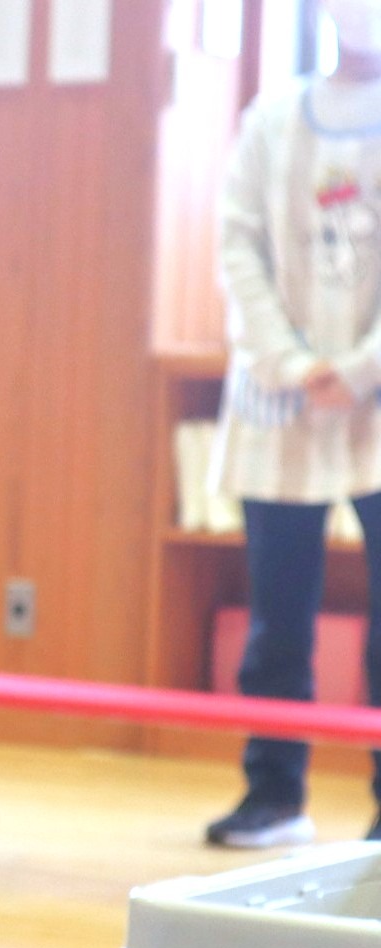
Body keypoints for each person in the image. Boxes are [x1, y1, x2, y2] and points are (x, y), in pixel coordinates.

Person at [204, 0, 381, 848]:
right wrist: (292, 362)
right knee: (275, 615)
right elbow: (235, 242)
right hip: (280, 396)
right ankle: (273, 793)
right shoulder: (270, 117)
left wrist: (355, 371)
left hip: (374, 396)